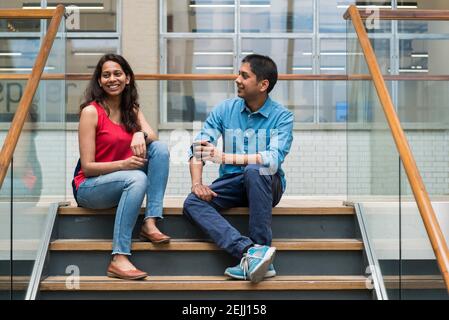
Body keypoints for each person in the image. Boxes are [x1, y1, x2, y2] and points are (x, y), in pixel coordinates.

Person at [183, 54, 294, 283]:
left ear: (263, 85)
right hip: (233, 184)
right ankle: (252, 253)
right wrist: (197, 184)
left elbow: (272, 159)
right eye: (238, 74)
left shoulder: (282, 117)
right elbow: (199, 147)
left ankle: (261, 246)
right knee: (192, 202)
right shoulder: (225, 109)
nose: (237, 79)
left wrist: (225, 157)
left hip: (267, 183)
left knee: (255, 169)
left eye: (244, 76)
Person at [71, 54, 170, 280]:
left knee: (160, 149)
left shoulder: (131, 109)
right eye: (106, 75)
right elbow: (87, 168)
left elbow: (152, 136)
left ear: (127, 79)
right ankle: (119, 257)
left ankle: (150, 221)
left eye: (117, 74)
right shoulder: (91, 112)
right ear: (99, 81)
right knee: (136, 178)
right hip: (90, 186)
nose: (112, 79)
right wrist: (124, 165)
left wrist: (139, 133)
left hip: (122, 182)